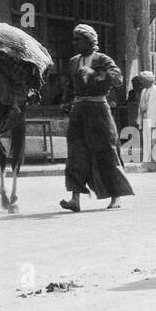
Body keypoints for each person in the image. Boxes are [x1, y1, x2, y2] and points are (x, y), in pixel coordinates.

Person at [58, 23, 132, 212]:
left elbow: (118, 77)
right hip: (79, 110)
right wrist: (66, 103)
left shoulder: (102, 59)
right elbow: (69, 85)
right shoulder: (74, 61)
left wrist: (96, 73)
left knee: (107, 151)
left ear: (90, 41)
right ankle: (75, 199)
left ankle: (116, 196)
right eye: (74, 39)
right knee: (76, 153)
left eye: (79, 39)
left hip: (99, 109)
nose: (75, 43)